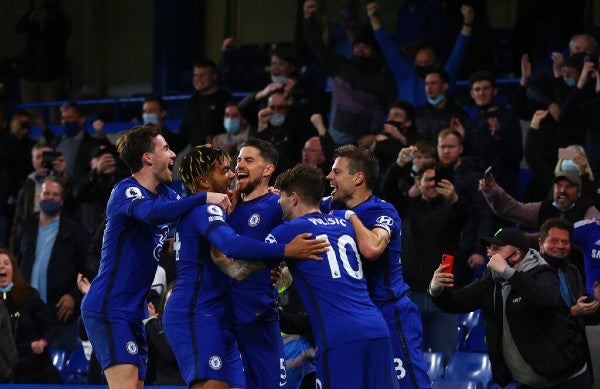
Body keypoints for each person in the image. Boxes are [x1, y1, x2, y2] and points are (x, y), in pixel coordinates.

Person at [163, 144, 328, 389]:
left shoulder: (276, 203)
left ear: (268, 170)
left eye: (247, 161)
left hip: (256, 318)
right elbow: (231, 250)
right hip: (215, 317)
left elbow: (313, 214)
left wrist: (283, 271)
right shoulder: (220, 208)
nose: (236, 169)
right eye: (232, 164)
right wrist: (284, 252)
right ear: (206, 182)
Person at [80, 124, 231, 389]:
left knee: (136, 386)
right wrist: (205, 196)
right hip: (110, 306)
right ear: (148, 158)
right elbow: (151, 214)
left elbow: (187, 213)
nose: (173, 155)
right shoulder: (125, 191)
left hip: (133, 310)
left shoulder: (166, 195)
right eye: (166, 148)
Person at [269, 163, 399, 388]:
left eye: (281, 197)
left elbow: (247, 265)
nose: (278, 204)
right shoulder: (344, 223)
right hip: (377, 330)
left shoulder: (290, 231)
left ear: (294, 197)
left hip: (339, 337)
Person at [323, 145, 430, 388]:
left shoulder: (382, 210)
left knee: (408, 384)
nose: (329, 177)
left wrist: (350, 218)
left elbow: (373, 248)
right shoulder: (332, 205)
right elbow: (297, 203)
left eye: (336, 172)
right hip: (356, 318)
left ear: (358, 178)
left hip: (390, 313)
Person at [429, 227, 591, 388]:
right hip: (527, 382)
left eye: (497, 249)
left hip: (566, 379)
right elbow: (458, 302)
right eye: (489, 249)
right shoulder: (490, 280)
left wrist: (508, 273)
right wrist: (437, 291)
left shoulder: (543, 273)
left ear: (516, 255)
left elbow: (544, 299)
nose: (490, 254)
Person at [393, 161, 469, 363]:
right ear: (418, 182)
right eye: (428, 180)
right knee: (405, 358)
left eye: (438, 180)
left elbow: (465, 215)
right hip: (410, 295)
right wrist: (399, 165)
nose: (432, 184)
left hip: (443, 299)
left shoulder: (451, 207)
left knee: (444, 360)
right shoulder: (407, 206)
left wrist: (455, 198)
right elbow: (387, 188)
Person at [10, 176, 89, 354]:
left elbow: (89, 269)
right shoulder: (24, 228)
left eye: (55, 194)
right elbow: (13, 263)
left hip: (60, 316)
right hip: (27, 314)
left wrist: (74, 296)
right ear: (39, 198)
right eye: (46, 193)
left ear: (61, 200)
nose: (50, 197)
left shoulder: (75, 232)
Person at [303, 0, 395, 146]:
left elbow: (391, 112)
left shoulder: (383, 78)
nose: (360, 49)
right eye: (357, 45)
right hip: (338, 145)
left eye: (365, 46)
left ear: (373, 51)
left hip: (369, 146)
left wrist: (375, 136)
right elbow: (317, 46)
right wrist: (309, 18)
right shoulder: (341, 66)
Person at [366, 1, 474, 106]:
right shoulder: (405, 76)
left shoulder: (444, 78)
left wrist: (468, 22)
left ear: (436, 64)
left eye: (426, 62)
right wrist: (373, 18)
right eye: (419, 62)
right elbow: (388, 47)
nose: (422, 65)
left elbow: (459, 52)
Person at [538, 218, 599, 384]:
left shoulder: (572, 272)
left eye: (565, 241)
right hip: (544, 362)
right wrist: (572, 312)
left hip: (575, 357)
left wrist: (595, 302)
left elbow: (581, 316)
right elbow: (534, 317)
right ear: (541, 243)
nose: (560, 246)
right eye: (554, 241)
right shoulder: (528, 274)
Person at [0, 247, 62, 384]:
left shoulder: (29, 296)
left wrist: (43, 342)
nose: (1, 267)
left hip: (34, 370)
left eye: (6, 263)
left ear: (13, 269)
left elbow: (51, 327)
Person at [462, 70, 523, 198]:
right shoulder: (470, 122)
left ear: (494, 91)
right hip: (477, 187)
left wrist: (498, 135)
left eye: (486, 88)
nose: (481, 93)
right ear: (471, 94)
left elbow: (516, 155)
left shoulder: (508, 118)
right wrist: (461, 138)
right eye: (477, 89)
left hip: (504, 188)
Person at [480, 169, 600, 231]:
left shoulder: (589, 212)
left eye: (569, 186)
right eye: (558, 185)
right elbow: (511, 209)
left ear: (578, 191)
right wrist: (493, 190)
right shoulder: (543, 208)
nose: (562, 190)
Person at [15, 0, 71, 124]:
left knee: (53, 110)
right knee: (30, 109)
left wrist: (49, 20)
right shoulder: (32, 26)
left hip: (51, 75)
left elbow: (65, 29)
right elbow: (19, 27)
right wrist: (30, 16)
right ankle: (35, 132)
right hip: (29, 74)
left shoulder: (58, 26)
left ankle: (54, 135)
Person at [0, 110, 36, 245]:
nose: (22, 126)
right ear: (11, 123)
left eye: (26, 123)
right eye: (20, 122)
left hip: (23, 199)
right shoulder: (3, 141)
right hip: (3, 201)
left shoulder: (30, 145)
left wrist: (44, 130)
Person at [179, 59, 232, 150]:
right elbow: (183, 137)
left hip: (223, 157)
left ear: (214, 76)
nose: (198, 79)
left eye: (202, 75)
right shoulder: (192, 103)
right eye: (195, 75)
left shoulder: (225, 99)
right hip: (197, 159)